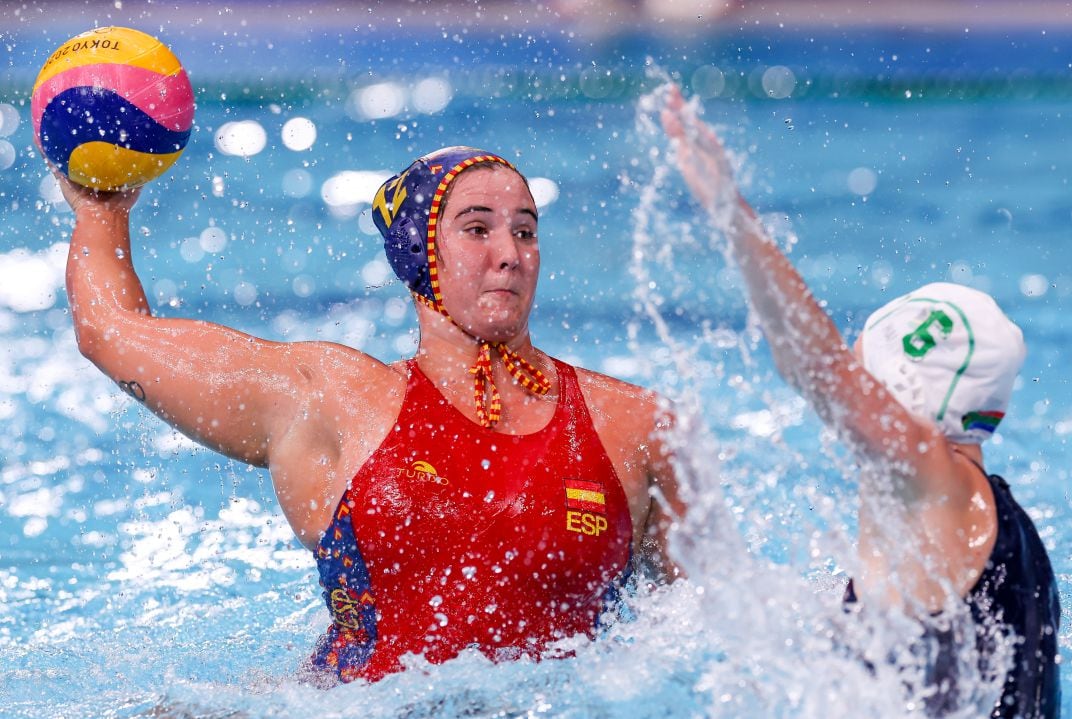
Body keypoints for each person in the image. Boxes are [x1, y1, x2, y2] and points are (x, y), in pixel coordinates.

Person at [57, 145, 684, 684]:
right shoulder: (334, 401)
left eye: (525, 230)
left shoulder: (633, 425)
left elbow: (708, 638)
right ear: (418, 252)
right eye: (476, 228)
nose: (510, 254)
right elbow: (111, 333)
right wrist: (101, 208)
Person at [661, 88, 1059, 718]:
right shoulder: (980, 523)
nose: (851, 380)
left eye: (865, 366)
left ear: (901, 393)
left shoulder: (939, 489)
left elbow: (813, 367)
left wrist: (731, 217)